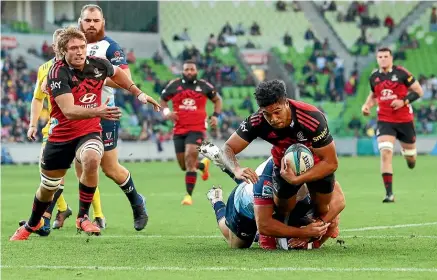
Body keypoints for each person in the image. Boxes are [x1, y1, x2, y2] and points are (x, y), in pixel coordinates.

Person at [10, 27, 160, 241]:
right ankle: (32, 223)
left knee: (92, 158)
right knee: (48, 187)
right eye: (73, 48)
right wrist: (99, 110)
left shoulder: (98, 64)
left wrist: (139, 93)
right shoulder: (56, 72)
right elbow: (70, 111)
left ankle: (83, 217)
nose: (80, 52)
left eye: (82, 47)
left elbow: (118, 74)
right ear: (63, 51)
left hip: (88, 132)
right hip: (60, 135)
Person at [49, 4, 148, 230]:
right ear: (79, 22)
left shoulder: (110, 48)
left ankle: (137, 202)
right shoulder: (71, 46)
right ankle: (89, 216)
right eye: (87, 20)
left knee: (110, 168)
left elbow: (125, 77)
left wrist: (94, 75)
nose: (91, 24)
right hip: (75, 114)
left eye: (95, 20)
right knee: (81, 165)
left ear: (103, 22)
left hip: (104, 113)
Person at [200, 141, 344, 250]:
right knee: (238, 245)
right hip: (246, 206)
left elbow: (338, 202)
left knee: (330, 218)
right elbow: (265, 225)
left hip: (275, 200)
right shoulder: (270, 179)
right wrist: (304, 232)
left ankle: (223, 162)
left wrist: (318, 226)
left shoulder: (313, 165)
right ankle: (216, 201)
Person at [26, 28, 73, 235]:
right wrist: (32, 124)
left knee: (84, 171)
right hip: (53, 127)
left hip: (75, 126)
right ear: (54, 46)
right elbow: (37, 98)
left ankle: (90, 216)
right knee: (48, 174)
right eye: (59, 44)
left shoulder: (77, 66)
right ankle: (58, 212)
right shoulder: (44, 68)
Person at [361, 47, 423, 203]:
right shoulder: (374, 77)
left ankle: (409, 158)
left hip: (405, 120)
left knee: (411, 159)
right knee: (386, 153)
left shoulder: (402, 73)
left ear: (391, 58)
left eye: (385, 56)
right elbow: (374, 95)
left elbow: (418, 91)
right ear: (377, 59)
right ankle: (389, 194)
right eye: (380, 56)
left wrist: (403, 101)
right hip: (385, 120)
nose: (383, 59)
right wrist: (367, 105)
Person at [160, 60, 222, 205]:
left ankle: (188, 196)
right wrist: (167, 112)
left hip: (197, 129)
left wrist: (215, 116)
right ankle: (202, 165)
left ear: (196, 71)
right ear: (182, 71)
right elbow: (162, 101)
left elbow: (217, 100)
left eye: (192, 69)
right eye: (186, 69)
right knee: (185, 165)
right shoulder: (174, 85)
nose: (189, 72)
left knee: (189, 156)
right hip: (179, 129)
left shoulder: (204, 86)